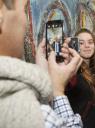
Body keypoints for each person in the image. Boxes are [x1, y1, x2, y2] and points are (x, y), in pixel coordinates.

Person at [0, 0, 83, 128]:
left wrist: (44, 73)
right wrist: (57, 90)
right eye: (23, 11)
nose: (26, 23)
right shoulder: (32, 114)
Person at [66, 28, 95, 128]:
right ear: (74, 46)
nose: (87, 46)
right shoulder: (73, 71)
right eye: (81, 43)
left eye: (90, 42)